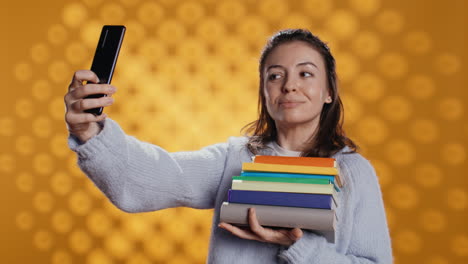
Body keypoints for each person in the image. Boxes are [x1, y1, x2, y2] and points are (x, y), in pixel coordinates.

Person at [65, 29, 393, 263]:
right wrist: (90, 131)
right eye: (275, 76)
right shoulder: (235, 158)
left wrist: (300, 246)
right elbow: (145, 179)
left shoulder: (352, 172)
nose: (290, 85)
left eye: (306, 74)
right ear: (265, 93)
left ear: (329, 92)